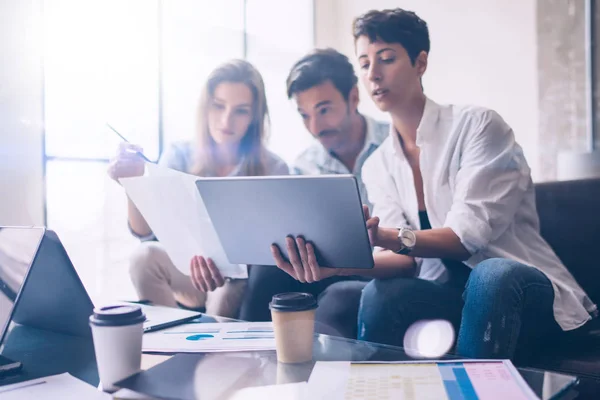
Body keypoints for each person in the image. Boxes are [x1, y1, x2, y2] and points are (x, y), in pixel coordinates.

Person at [268, 8, 597, 361]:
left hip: (523, 294)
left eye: (387, 59)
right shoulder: (379, 164)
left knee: (492, 274)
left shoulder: (478, 126)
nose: (374, 74)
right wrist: (340, 265)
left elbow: (465, 238)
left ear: (420, 62)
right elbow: (404, 263)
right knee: (382, 294)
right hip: (454, 298)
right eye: (364, 64)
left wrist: (387, 236)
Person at [108, 59, 289, 318]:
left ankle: (210, 355)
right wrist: (132, 184)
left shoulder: (274, 168)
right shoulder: (179, 155)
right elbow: (146, 233)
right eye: (218, 106)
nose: (227, 120)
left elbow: (273, 252)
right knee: (143, 257)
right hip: (187, 267)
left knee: (226, 289)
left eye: (241, 111)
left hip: (237, 277)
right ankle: (168, 343)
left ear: (254, 117)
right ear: (205, 108)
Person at [238, 49, 387, 336]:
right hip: (325, 268)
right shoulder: (304, 165)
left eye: (324, 110)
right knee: (267, 271)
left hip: (384, 267)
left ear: (353, 97)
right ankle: (244, 352)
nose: (315, 127)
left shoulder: (394, 144)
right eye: (304, 115)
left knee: (341, 297)